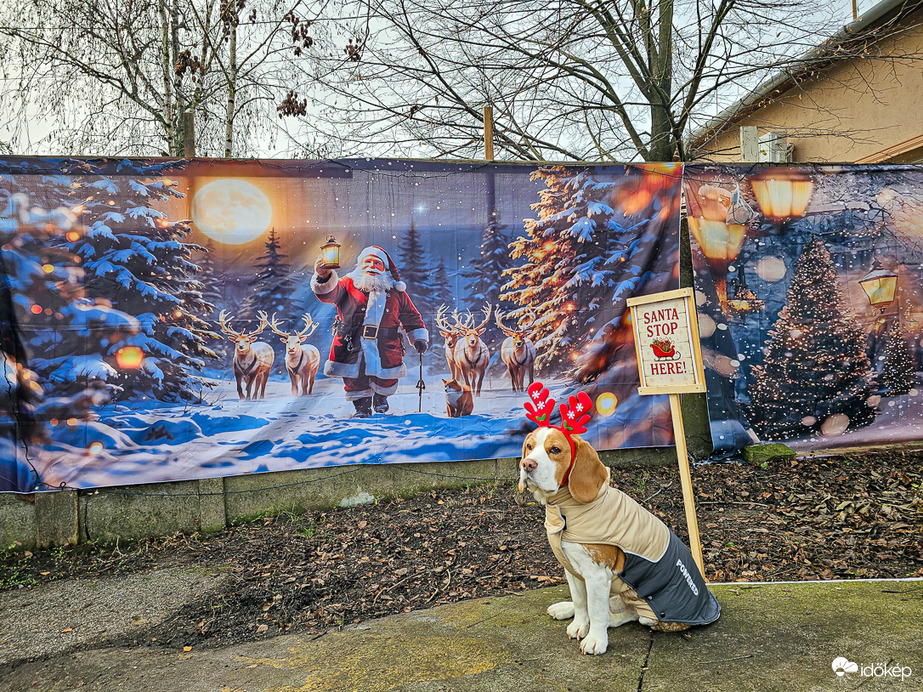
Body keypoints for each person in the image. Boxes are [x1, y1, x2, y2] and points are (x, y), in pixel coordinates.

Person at [312, 246, 428, 417]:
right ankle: (362, 408)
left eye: (376, 263)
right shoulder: (347, 284)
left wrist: (418, 337)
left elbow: (410, 315)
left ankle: (381, 398)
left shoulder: (395, 291)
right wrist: (324, 276)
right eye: (367, 262)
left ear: (384, 268)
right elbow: (328, 293)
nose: (372, 266)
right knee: (355, 377)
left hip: (386, 344)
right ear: (360, 265)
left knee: (386, 376)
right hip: (352, 342)